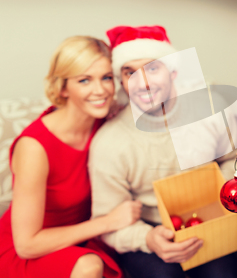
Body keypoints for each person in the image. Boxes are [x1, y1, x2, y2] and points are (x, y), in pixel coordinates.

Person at [89, 25, 237, 278]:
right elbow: (107, 221)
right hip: (148, 231)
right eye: (130, 72)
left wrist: (223, 190)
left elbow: (236, 157)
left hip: (211, 218)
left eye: (153, 68)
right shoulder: (109, 143)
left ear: (173, 71)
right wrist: (147, 238)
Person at [0, 36, 142, 278]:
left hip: (82, 239)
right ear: (63, 87)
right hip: (30, 249)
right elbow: (26, 244)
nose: (100, 90)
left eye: (106, 78)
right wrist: (107, 222)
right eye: (84, 80)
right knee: (89, 266)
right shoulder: (34, 147)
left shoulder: (107, 120)